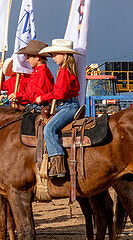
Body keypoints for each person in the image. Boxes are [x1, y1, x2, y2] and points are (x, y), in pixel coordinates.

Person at [36, 39, 80, 178]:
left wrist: (43, 98)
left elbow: (60, 93)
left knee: (49, 129)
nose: (53, 58)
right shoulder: (64, 71)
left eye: (55, 55)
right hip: (67, 105)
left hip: (68, 106)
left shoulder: (64, 72)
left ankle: (58, 164)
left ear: (65, 55)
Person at [9, 40, 52, 109]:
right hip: (35, 104)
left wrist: (18, 95)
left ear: (38, 57)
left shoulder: (42, 72)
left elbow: (38, 94)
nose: (27, 60)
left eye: (29, 57)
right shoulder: (37, 71)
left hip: (39, 106)